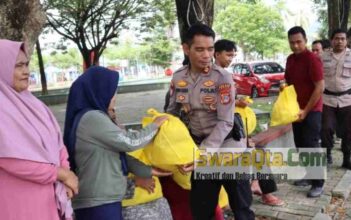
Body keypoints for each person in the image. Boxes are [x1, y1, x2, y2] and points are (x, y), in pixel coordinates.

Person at [166, 24, 255, 220]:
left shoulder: (222, 77)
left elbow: (225, 121)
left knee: (242, 208)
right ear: (186, 49)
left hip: (228, 150)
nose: (206, 55)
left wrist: (202, 154)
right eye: (199, 49)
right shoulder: (179, 77)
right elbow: (172, 112)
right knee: (201, 209)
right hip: (200, 149)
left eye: (210, 49)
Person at [63, 66, 169, 220]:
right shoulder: (92, 118)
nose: (114, 97)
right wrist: (155, 126)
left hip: (103, 200)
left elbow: (118, 154)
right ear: (99, 90)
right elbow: (130, 142)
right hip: (98, 202)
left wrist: (147, 170)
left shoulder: (93, 117)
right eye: (112, 91)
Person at [0, 39, 78, 220]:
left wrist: (65, 174)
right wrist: (61, 174)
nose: (26, 71)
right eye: (18, 66)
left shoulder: (35, 104)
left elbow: (58, 144)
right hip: (18, 202)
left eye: (26, 65)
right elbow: (9, 160)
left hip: (49, 199)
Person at [214, 39, 284, 206]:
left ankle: (262, 189)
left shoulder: (224, 74)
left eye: (233, 55)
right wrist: (236, 102)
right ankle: (257, 190)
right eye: (228, 55)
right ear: (216, 54)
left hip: (234, 125)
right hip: (219, 131)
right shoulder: (209, 76)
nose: (230, 59)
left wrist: (238, 99)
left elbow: (226, 98)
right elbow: (213, 103)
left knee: (256, 151)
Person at [320, 29, 351, 171]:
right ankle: (327, 154)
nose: (339, 41)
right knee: (326, 129)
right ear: (331, 40)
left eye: (342, 39)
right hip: (327, 100)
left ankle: (347, 159)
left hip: (347, 100)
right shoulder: (322, 57)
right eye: (336, 38)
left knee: (348, 131)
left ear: (346, 41)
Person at [284, 26, 325, 198]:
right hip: (296, 110)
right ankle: (309, 175)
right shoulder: (290, 59)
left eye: (299, 42)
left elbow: (320, 87)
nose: (295, 46)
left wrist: (306, 110)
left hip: (312, 110)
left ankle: (318, 183)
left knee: (311, 145)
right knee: (300, 145)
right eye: (292, 43)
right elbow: (289, 82)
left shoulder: (312, 59)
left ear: (305, 41)